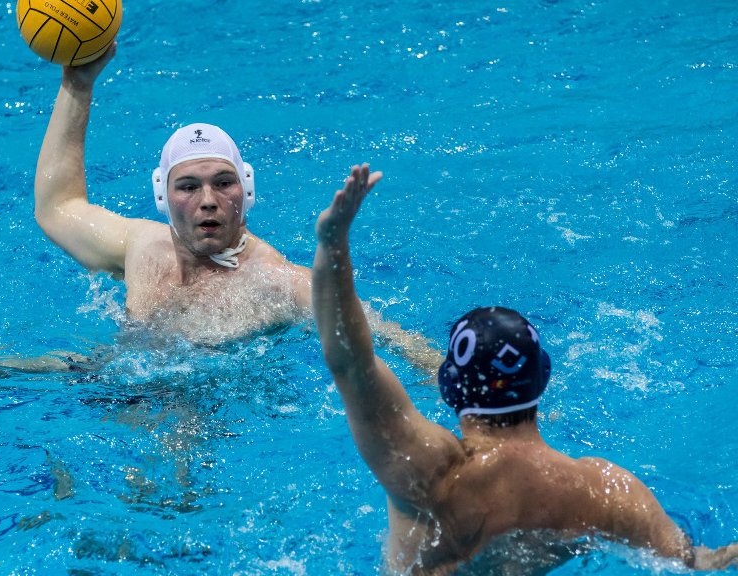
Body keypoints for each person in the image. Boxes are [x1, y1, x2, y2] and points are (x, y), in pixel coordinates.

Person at [312, 163, 738, 573]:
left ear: (448, 386)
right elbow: (692, 562)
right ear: (543, 377)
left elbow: (351, 363)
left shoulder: (429, 473)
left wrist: (333, 243)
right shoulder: (606, 492)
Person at [31, 42, 439, 371]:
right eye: (188, 187)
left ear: (246, 191)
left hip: (202, 415)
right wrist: (77, 85)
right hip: (106, 377)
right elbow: (58, 207)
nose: (207, 201)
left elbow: (384, 336)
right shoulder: (139, 246)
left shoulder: (276, 281)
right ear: (162, 197)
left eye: (223, 183)